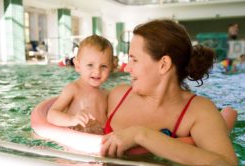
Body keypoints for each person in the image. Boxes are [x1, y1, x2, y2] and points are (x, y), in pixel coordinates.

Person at [100, 19, 238, 165]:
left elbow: (227, 164)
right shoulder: (117, 96)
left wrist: (141, 135)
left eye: (134, 59)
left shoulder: (197, 111)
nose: (127, 68)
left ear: (163, 65)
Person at [47, 34, 113, 134]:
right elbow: (51, 115)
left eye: (103, 66)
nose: (97, 71)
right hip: (76, 140)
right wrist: (72, 120)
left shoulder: (106, 94)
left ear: (111, 67)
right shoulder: (73, 89)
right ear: (78, 65)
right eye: (90, 65)